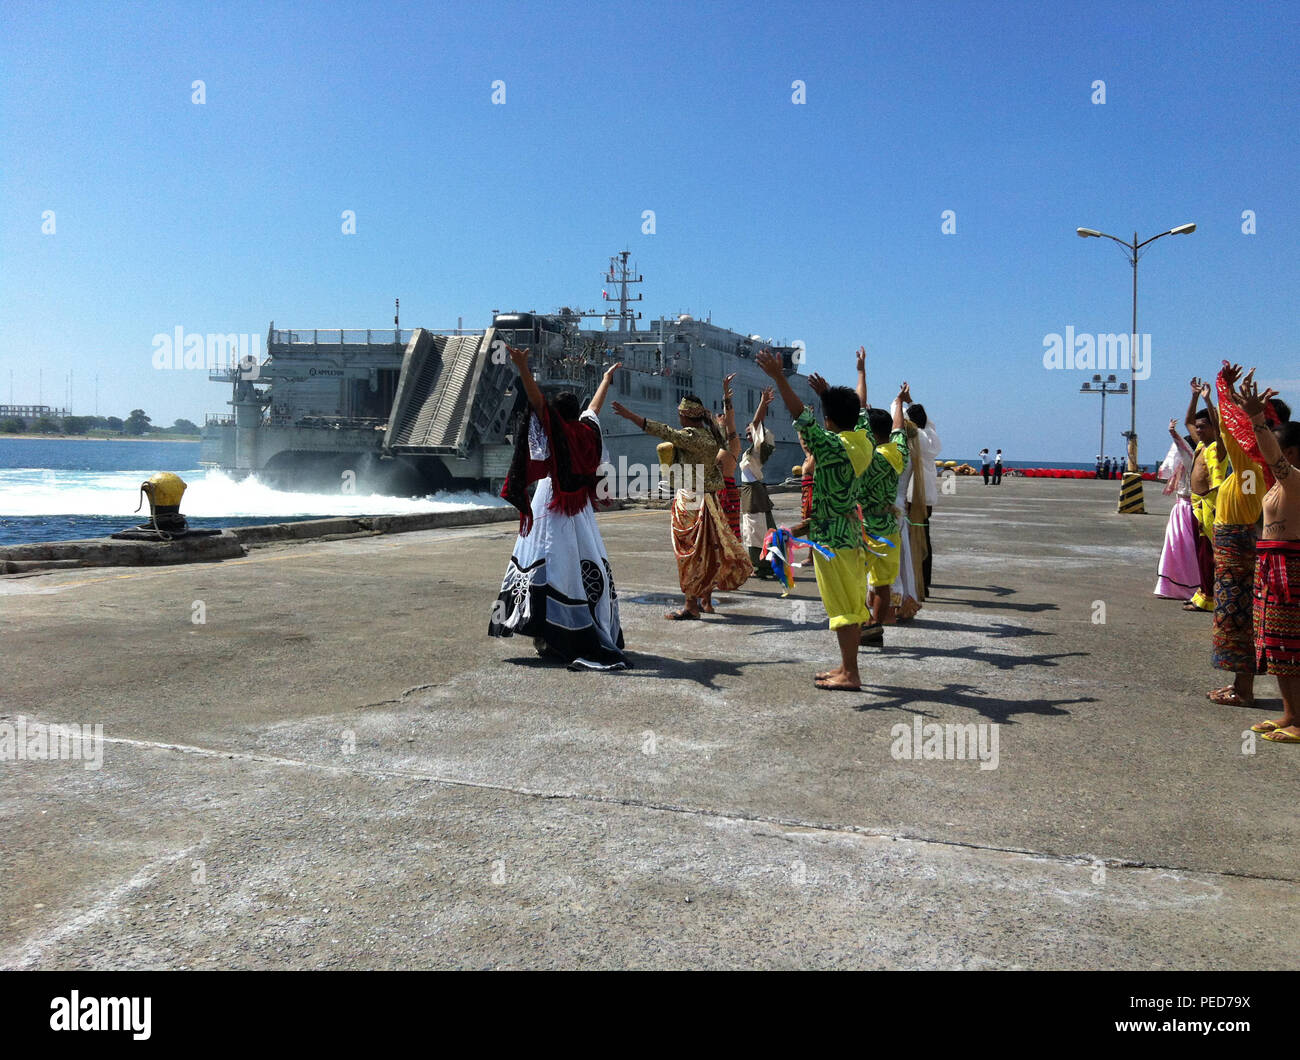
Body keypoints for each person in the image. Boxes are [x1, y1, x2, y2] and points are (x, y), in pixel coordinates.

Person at [489, 349, 626, 670]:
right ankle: (571, 628)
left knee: (545, 562)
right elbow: (594, 407)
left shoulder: (558, 430)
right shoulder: (587, 430)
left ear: (556, 413)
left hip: (551, 500)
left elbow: (537, 403)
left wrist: (523, 367)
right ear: (575, 413)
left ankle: (548, 632)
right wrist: (605, 380)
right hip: (580, 508)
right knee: (578, 564)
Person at [757, 349, 871, 691]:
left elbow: (799, 416)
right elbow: (860, 410)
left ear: (830, 421)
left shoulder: (833, 447)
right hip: (848, 534)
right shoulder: (861, 440)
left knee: (843, 607)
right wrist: (831, 394)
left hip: (832, 540)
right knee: (845, 604)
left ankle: (851, 673)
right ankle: (845, 666)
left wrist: (779, 378)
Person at [612, 392, 751, 620]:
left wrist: (630, 416)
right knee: (707, 550)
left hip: (691, 499)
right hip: (709, 499)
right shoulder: (710, 435)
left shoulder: (691, 437)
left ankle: (690, 606)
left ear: (685, 415)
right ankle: (705, 600)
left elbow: (661, 430)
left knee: (688, 553)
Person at [1204, 364, 1283, 708]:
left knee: (1235, 616)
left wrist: (1224, 386)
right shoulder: (1273, 462)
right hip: (1252, 535)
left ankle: (1243, 689)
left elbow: (1226, 423)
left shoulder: (1249, 454)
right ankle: (1242, 685)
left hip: (1238, 539)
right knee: (1246, 615)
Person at [1226, 377, 1300, 743]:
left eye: (1282, 452)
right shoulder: (1280, 480)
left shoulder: (1295, 479)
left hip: (1290, 567)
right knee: (1276, 644)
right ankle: (1291, 714)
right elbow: (1255, 449)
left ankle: (1298, 718)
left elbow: (1268, 452)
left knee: (1290, 643)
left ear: (1295, 453)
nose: (1274, 459)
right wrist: (1243, 412)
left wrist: (1256, 419)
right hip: (1271, 565)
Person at [852, 349, 907, 638]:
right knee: (884, 582)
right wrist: (898, 403)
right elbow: (898, 428)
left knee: (859, 580)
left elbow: (860, 408)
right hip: (889, 525)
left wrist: (861, 371)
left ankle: (862, 622)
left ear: (870, 434)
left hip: (863, 525)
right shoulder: (896, 453)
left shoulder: (867, 458)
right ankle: (876, 626)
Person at [703, 374, 744, 613]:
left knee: (726, 539)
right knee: (714, 541)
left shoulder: (732, 444)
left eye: (722, 418)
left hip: (727, 494)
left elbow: (730, 422)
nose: (720, 419)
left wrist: (725, 395)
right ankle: (712, 586)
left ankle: (729, 576)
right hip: (714, 494)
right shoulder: (714, 445)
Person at [1185, 378, 1226, 612]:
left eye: (1203, 426)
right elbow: (1189, 421)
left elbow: (1219, 428)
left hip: (1210, 503)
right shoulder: (1200, 444)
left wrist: (1209, 400)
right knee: (1200, 551)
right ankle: (1203, 593)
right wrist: (1193, 396)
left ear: (1213, 427)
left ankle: (1210, 596)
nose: (1198, 430)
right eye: (1198, 427)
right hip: (1196, 502)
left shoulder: (1217, 446)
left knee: (1210, 552)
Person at [1153, 419, 1201, 601]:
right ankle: (1174, 585)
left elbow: (1184, 450)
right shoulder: (1186, 465)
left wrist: (1174, 434)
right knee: (1177, 548)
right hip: (1182, 508)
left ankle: (1187, 585)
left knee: (1184, 548)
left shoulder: (1194, 461)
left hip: (1189, 508)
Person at [738, 384, 778, 577]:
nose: (748, 432)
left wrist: (762, 402)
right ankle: (765, 565)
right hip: (751, 496)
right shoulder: (751, 452)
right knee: (756, 531)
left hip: (754, 497)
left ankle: (763, 566)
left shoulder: (757, 451)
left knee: (756, 532)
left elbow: (756, 423)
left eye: (750, 433)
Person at [903, 396, 941, 594]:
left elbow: (899, 420)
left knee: (912, 540)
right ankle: (924, 582)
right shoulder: (931, 436)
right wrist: (910, 403)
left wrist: (900, 402)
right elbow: (929, 422)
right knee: (924, 537)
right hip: (927, 498)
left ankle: (914, 581)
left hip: (912, 497)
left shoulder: (914, 436)